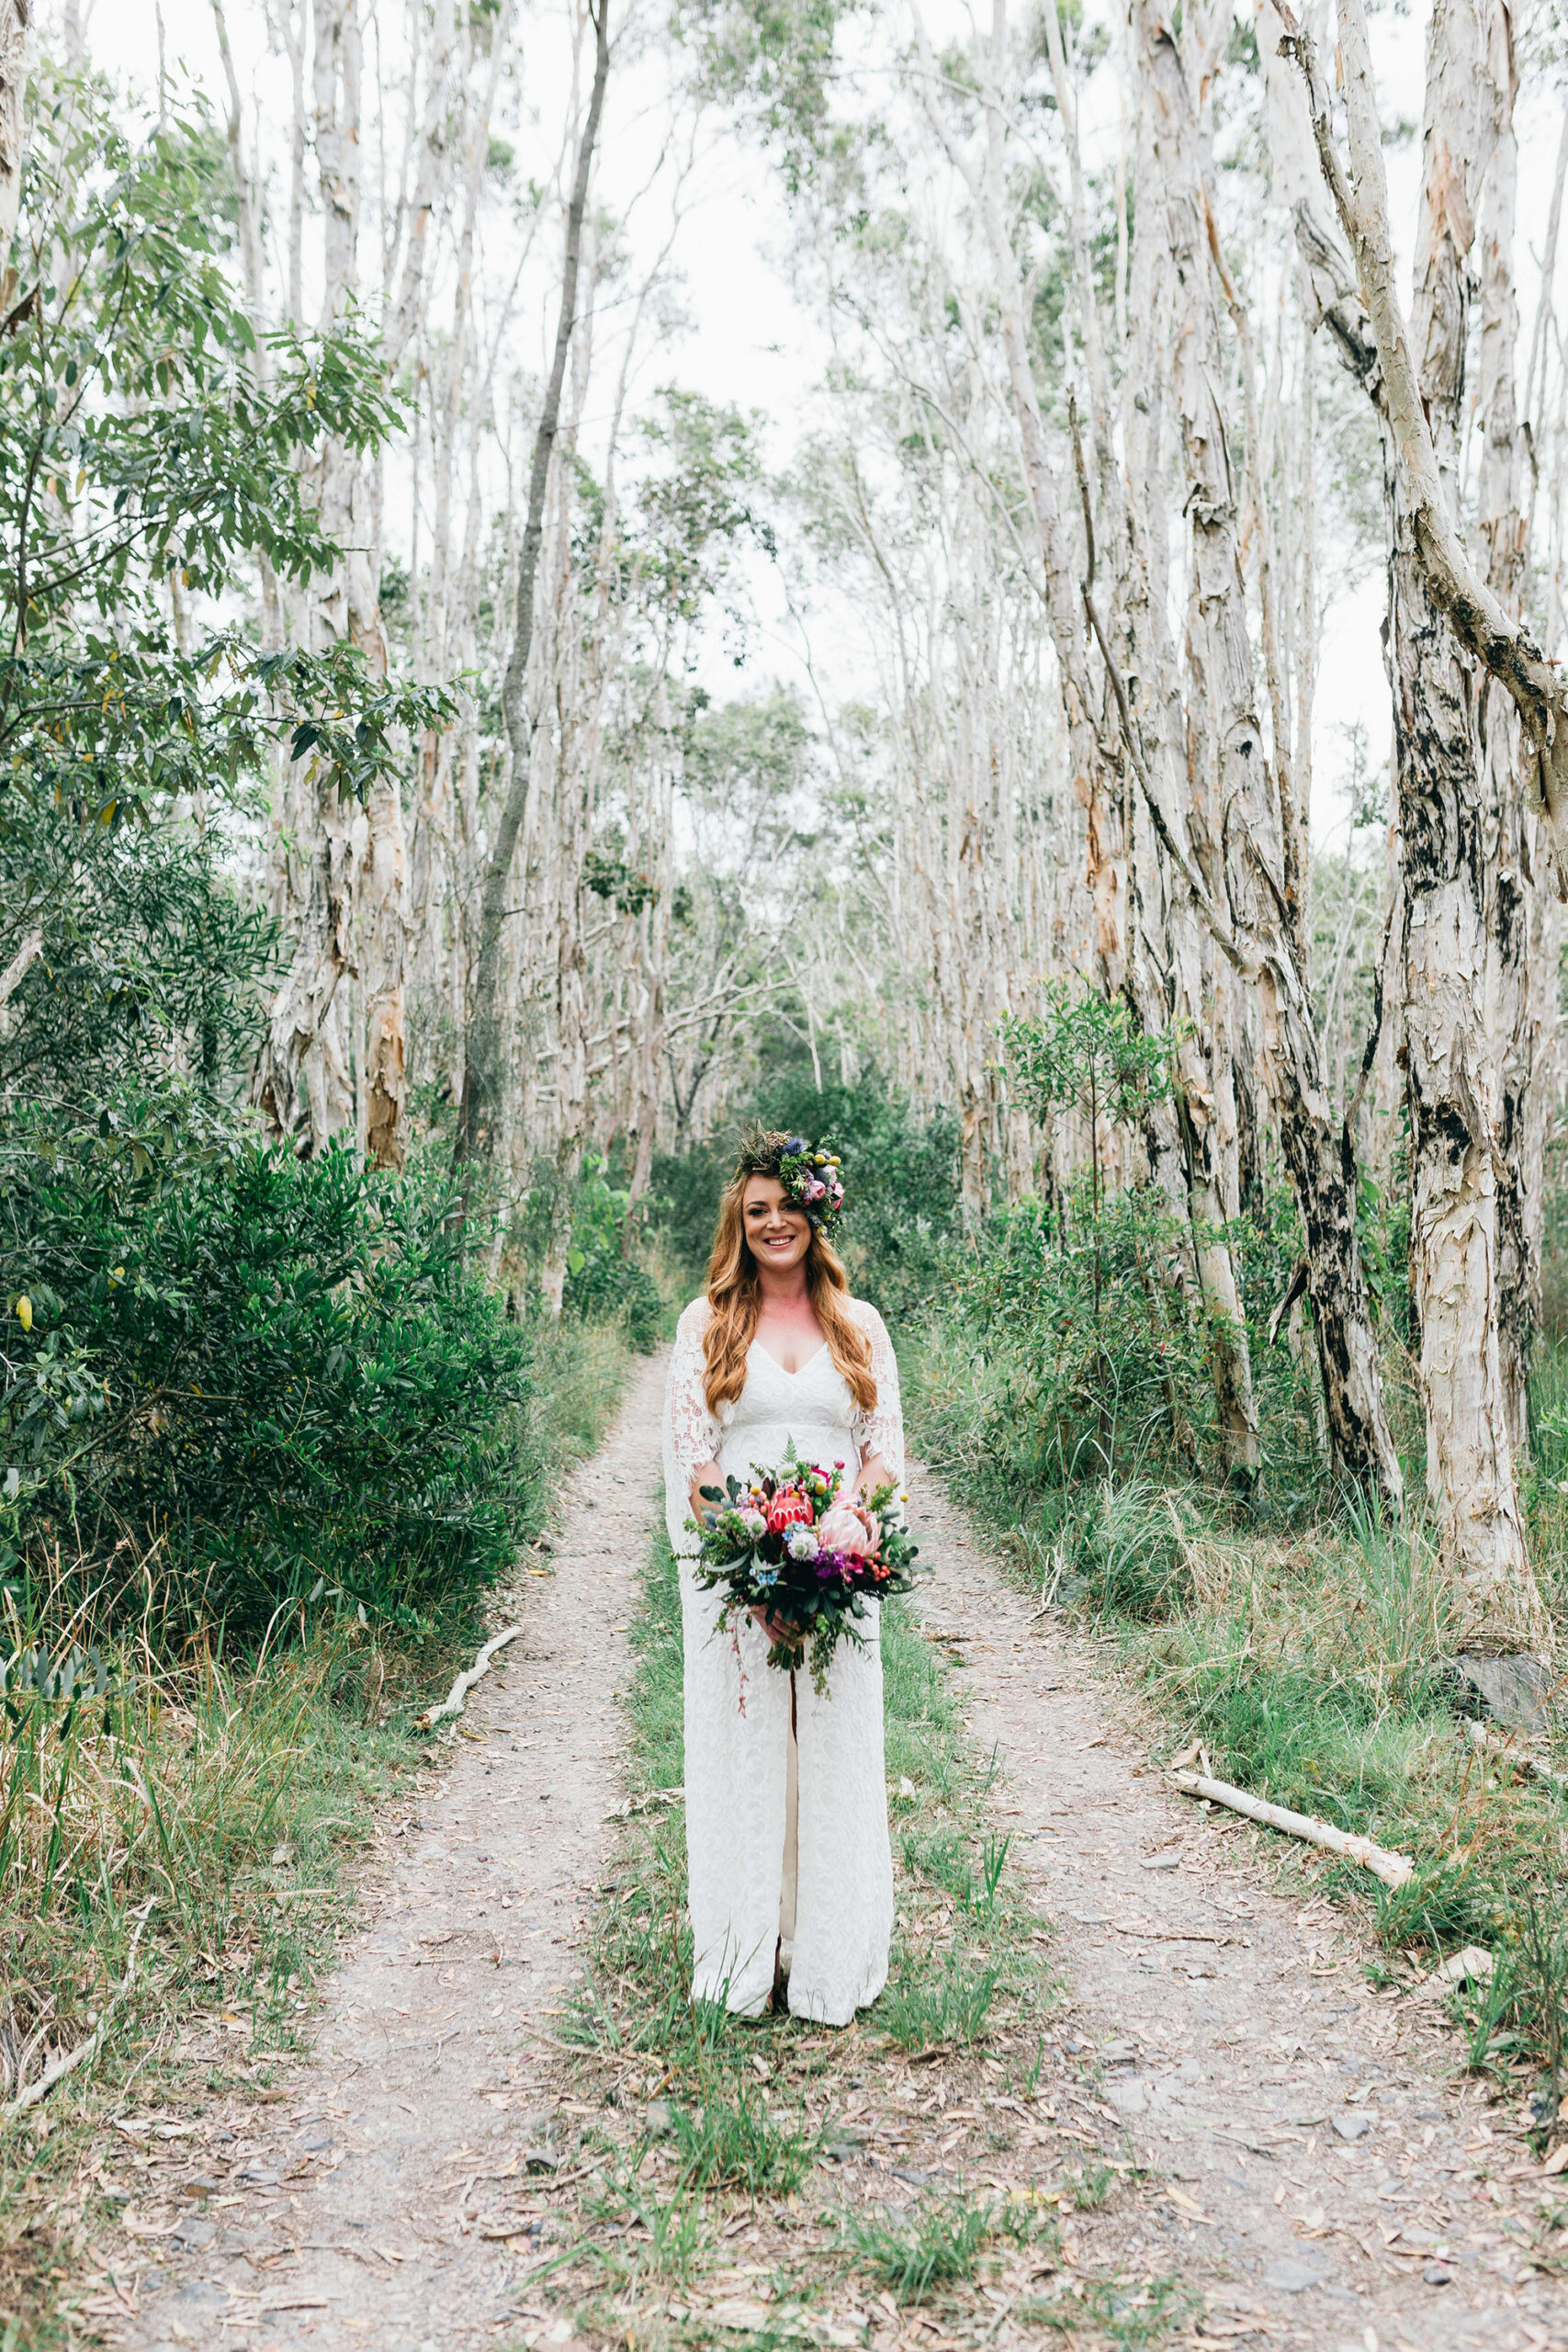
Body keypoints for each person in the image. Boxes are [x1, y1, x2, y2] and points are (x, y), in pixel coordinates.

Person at [662, 1126, 904, 2025]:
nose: (774, 1223)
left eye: (787, 1207)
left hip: (840, 1567)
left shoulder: (859, 1324)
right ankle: (743, 1949)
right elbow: (698, 1465)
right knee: (751, 1751)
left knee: (834, 1750)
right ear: (740, 1222)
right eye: (756, 1210)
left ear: (815, 1213)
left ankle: (828, 1954)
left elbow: (881, 1454)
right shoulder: (707, 1323)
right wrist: (753, 1568)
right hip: (740, 1574)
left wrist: (843, 1536)